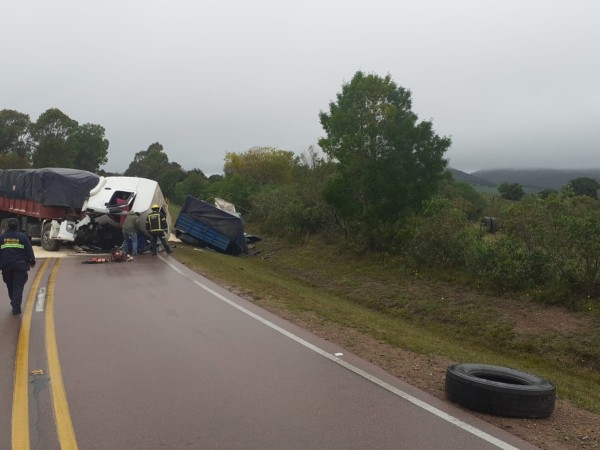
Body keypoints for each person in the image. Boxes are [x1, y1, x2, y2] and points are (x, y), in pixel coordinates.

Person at [0, 218, 36, 315]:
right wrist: (32, 261)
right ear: (17, 226)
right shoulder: (23, 237)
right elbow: (29, 250)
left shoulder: (2, 237)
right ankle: (16, 306)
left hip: (6, 266)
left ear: (7, 226)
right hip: (20, 266)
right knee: (18, 287)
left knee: (10, 286)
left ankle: (14, 303)